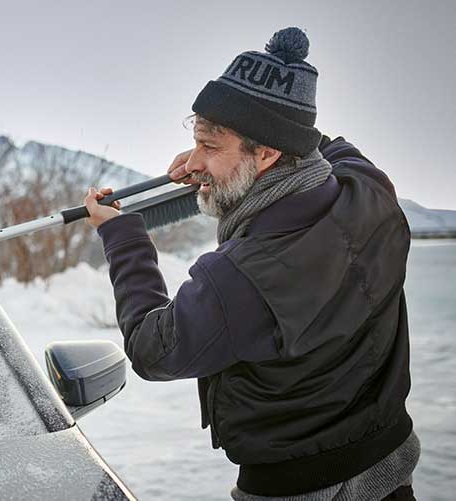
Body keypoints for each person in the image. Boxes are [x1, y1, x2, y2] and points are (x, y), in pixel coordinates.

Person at [83, 27, 420, 500]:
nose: (195, 161)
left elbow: (152, 349)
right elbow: (323, 143)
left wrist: (119, 234)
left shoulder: (240, 278)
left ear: (267, 151)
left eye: (211, 145)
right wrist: (212, 157)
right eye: (197, 141)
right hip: (390, 468)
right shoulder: (372, 194)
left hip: (294, 488)